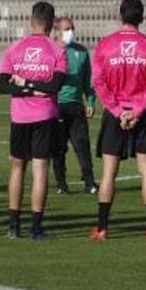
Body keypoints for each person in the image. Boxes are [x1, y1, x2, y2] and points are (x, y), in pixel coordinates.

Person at [89, 0, 146, 241]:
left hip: (115, 115)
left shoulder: (105, 45)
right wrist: (137, 110)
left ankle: (102, 229)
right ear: (141, 18)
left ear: (120, 16)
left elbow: (98, 82)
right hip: (141, 115)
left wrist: (118, 112)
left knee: (109, 173)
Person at [0, 1, 67, 241]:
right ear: (52, 24)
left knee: (17, 168)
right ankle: (36, 227)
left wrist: (24, 85)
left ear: (31, 21)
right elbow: (54, 86)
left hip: (20, 116)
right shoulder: (58, 50)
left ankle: (13, 226)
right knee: (40, 170)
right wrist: (37, 89)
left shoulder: (15, 48)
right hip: (44, 115)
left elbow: (4, 84)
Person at [52, 16, 97, 195]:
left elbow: (88, 81)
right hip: (56, 106)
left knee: (82, 145)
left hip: (76, 105)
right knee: (59, 148)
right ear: (57, 31)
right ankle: (61, 183)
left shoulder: (81, 52)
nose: (70, 31)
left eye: (72, 28)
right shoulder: (50, 50)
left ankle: (89, 181)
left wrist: (91, 101)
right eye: (66, 29)